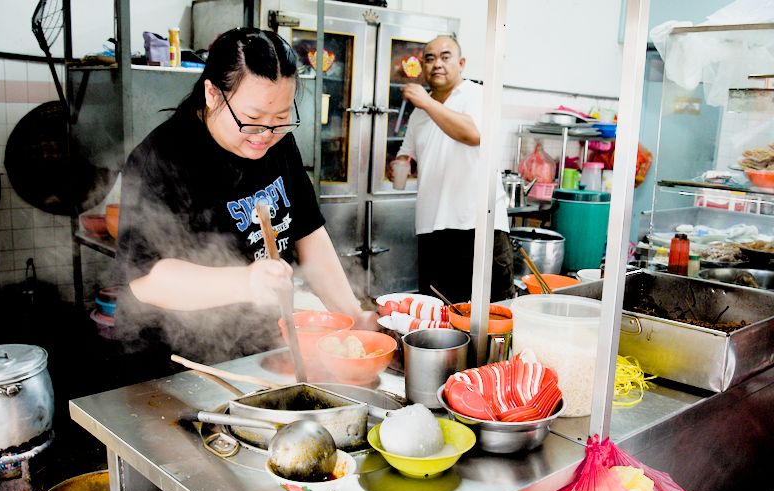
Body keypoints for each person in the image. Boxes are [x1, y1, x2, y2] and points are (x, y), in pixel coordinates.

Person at [114, 28, 377, 381]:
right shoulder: (160, 159)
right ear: (211, 93)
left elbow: (308, 233)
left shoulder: (277, 143)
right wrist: (246, 282)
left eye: (281, 118)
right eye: (251, 120)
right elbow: (145, 280)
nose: (265, 135)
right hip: (175, 365)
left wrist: (353, 317)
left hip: (255, 349)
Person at [390, 35, 514, 304]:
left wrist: (426, 102)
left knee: (492, 313)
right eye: (430, 58)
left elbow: (472, 133)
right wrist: (399, 166)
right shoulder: (418, 114)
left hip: (478, 223)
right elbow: (406, 155)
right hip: (432, 227)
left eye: (445, 57)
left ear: (461, 63)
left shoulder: (478, 95)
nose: (437, 64)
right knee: (440, 315)